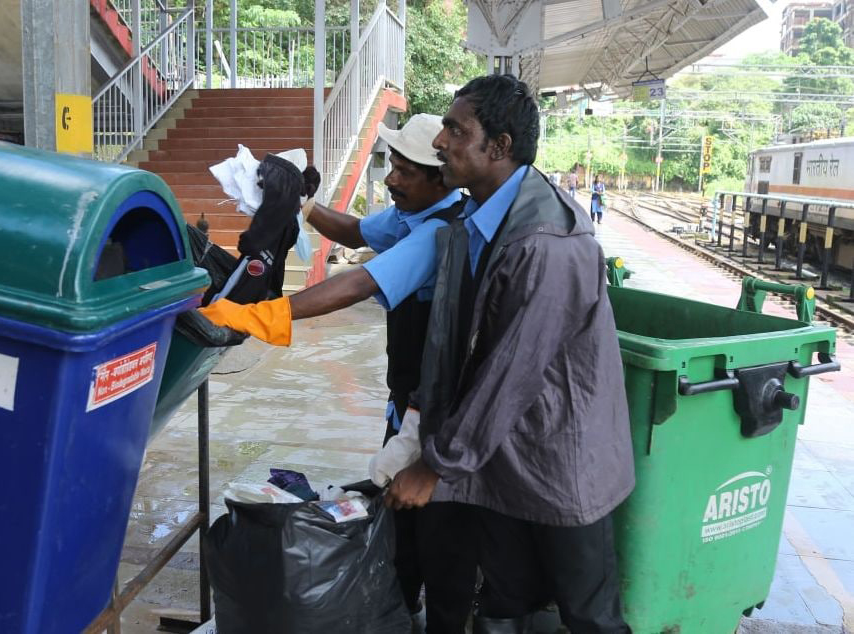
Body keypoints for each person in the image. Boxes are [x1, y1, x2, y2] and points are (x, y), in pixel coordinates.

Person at [385, 74, 634, 634]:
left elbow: (511, 372)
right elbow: (458, 342)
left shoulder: (547, 242)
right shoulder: (473, 223)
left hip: (562, 462)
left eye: (456, 129)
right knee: (506, 603)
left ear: (498, 147)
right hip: (505, 461)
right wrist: (422, 420)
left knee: (590, 615)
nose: (440, 143)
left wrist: (434, 466)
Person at [199, 113, 463, 628]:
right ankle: (395, 604)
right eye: (393, 166)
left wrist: (268, 313)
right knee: (397, 512)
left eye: (405, 170)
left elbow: (361, 282)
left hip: (434, 404)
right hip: (405, 393)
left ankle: (421, 609)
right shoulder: (412, 213)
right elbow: (357, 231)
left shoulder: (441, 231)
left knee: (432, 529)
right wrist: (303, 203)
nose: (391, 179)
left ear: (441, 178)